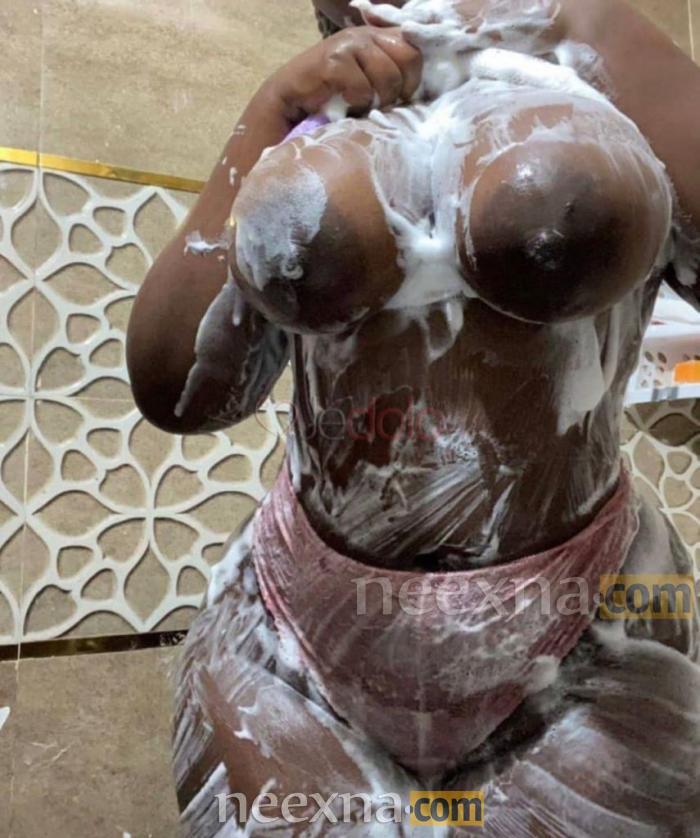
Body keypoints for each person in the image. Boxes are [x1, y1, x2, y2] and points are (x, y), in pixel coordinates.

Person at [127, 1, 700, 834]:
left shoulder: (597, 62)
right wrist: (272, 110)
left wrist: (586, 25)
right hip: (292, 634)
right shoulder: (316, 121)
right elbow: (177, 390)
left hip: (593, 626)